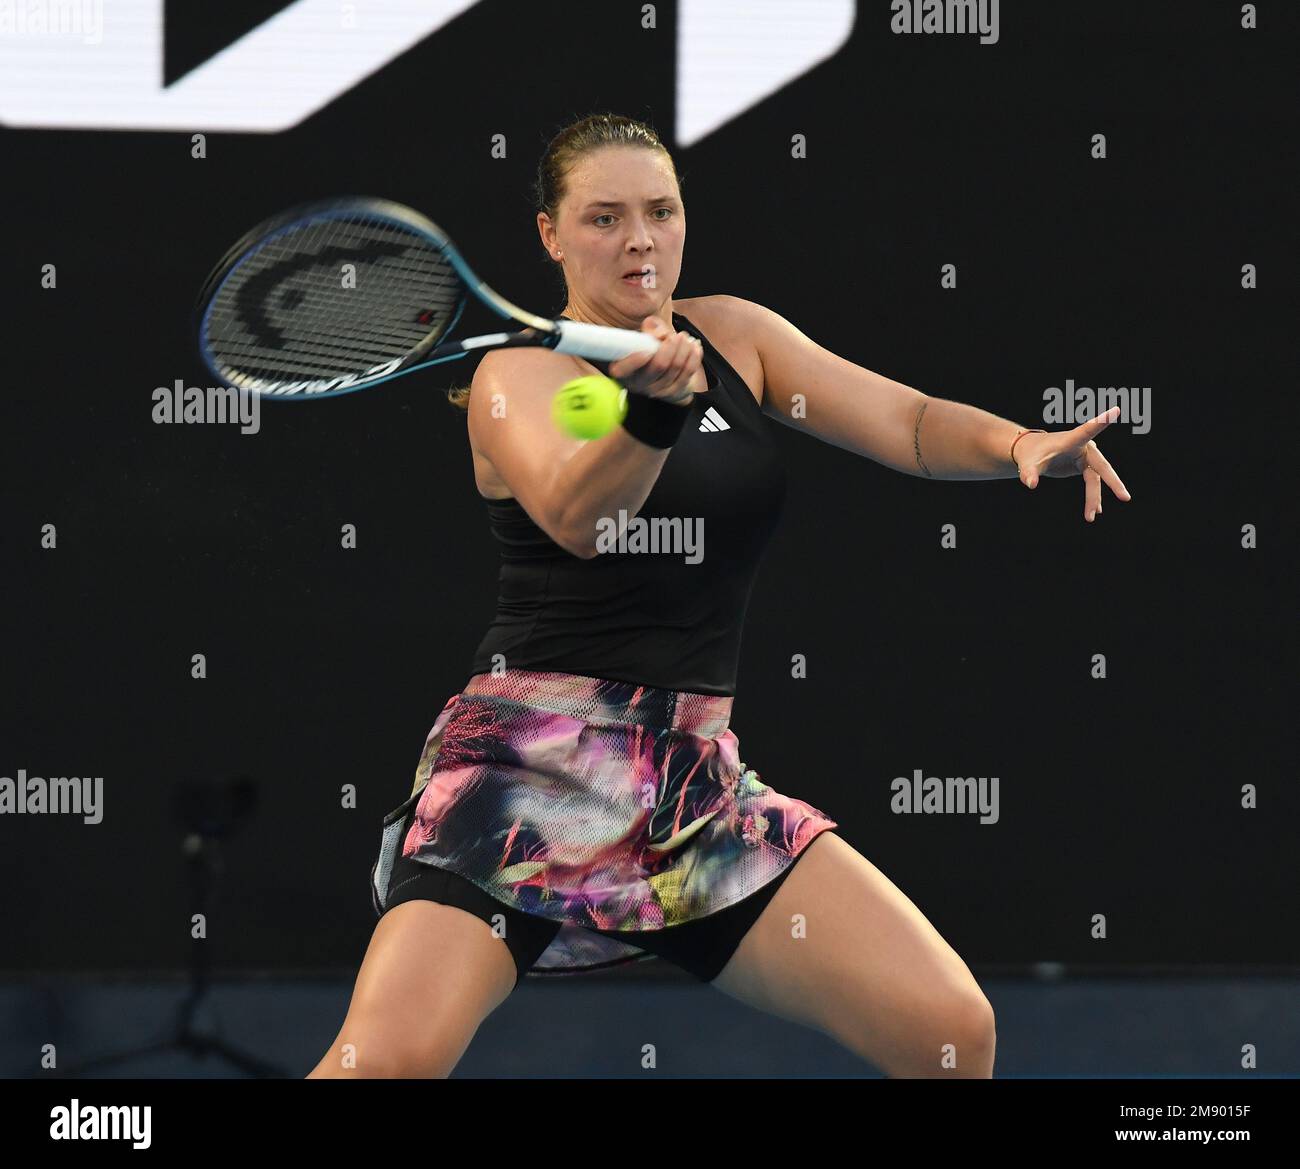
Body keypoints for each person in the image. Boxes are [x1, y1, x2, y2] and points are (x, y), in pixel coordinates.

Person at [308, 113, 1130, 1081]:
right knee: (385, 1063)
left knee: (945, 1030)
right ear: (550, 234)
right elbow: (581, 517)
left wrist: (1014, 447)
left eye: (660, 211)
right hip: (526, 776)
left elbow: (906, 424)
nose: (639, 239)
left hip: (691, 786)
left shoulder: (734, 335)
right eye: (604, 217)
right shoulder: (515, 374)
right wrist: (654, 414)